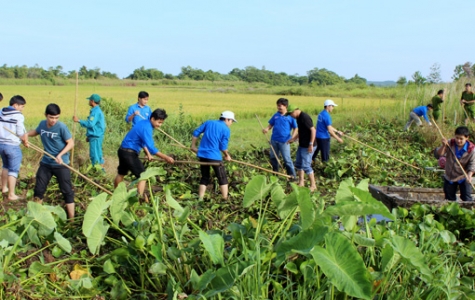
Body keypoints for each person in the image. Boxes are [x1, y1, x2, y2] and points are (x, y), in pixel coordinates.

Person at [27, 104, 75, 219]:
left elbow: (71, 143)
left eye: (56, 118)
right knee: (39, 189)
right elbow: (36, 131)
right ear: (46, 116)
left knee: (67, 191)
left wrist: (60, 155)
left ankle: (72, 219)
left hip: (61, 163)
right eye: (51, 117)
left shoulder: (61, 127)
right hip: (46, 163)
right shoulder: (42, 124)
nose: (54, 120)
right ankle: (36, 218)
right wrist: (26, 135)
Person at [114, 108, 174, 200]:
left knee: (121, 173)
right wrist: (166, 157)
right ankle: (139, 198)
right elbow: (151, 147)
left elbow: (142, 142)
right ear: (152, 119)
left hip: (122, 151)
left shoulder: (143, 123)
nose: (160, 125)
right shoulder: (147, 128)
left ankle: (115, 195)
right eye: (159, 122)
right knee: (143, 175)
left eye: (161, 123)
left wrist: (148, 154)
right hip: (130, 153)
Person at [191, 111, 236, 200]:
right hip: (214, 157)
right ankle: (225, 199)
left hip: (202, 155)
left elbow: (196, 132)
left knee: (205, 177)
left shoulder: (209, 122)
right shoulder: (226, 129)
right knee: (222, 177)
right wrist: (227, 155)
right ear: (227, 119)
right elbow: (223, 146)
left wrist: (193, 146)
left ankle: (200, 198)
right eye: (231, 121)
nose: (231, 123)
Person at [435, 126, 475, 201]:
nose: (458, 141)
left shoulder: (471, 149)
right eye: (457, 138)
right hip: (450, 176)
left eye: (461, 139)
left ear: (467, 138)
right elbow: (440, 154)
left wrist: (469, 175)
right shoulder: (450, 143)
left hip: (463, 176)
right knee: (449, 198)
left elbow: (472, 164)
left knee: (466, 198)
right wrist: (444, 146)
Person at [0, 95, 28, 200]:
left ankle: (4, 188)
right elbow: (21, 132)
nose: (22, 109)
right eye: (22, 106)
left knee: (5, 166)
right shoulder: (18, 115)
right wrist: (25, 141)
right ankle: (11, 194)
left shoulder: (1, 111)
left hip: (1, 144)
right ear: (15, 105)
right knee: (13, 169)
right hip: (12, 145)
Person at [262, 98, 297, 178]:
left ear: (285, 106)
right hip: (274, 140)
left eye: (280, 106)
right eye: (278, 106)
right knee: (273, 157)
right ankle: (275, 174)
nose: (278, 107)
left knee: (287, 159)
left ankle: (292, 176)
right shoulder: (276, 115)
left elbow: (296, 128)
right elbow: (271, 124)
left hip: (285, 141)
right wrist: (266, 129)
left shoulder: (290, 116)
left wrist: (292, 137)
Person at [287, 105, 317, 192]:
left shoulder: (304, 117)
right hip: (302, 145)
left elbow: (313, 130)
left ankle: (313, 185)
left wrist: (311, 144)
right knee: (299, 164)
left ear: (295, 111)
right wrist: (293, 139)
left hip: (308, 145)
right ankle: (301, 182)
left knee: (306, 166)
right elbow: (301, 131)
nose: (290, 116)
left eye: (291, 114)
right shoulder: (298, 118)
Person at [73, 94, 106, 167]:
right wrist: (89, 135)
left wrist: (78, 120)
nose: (89, 102)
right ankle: (101, 171)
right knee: (98, 154)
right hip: (96, 136)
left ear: (92, 101)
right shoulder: (97, 111)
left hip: (95, 137)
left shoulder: (95, 112)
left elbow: (91, 124)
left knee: (94, 155)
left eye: (90, 100)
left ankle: (98, 171)